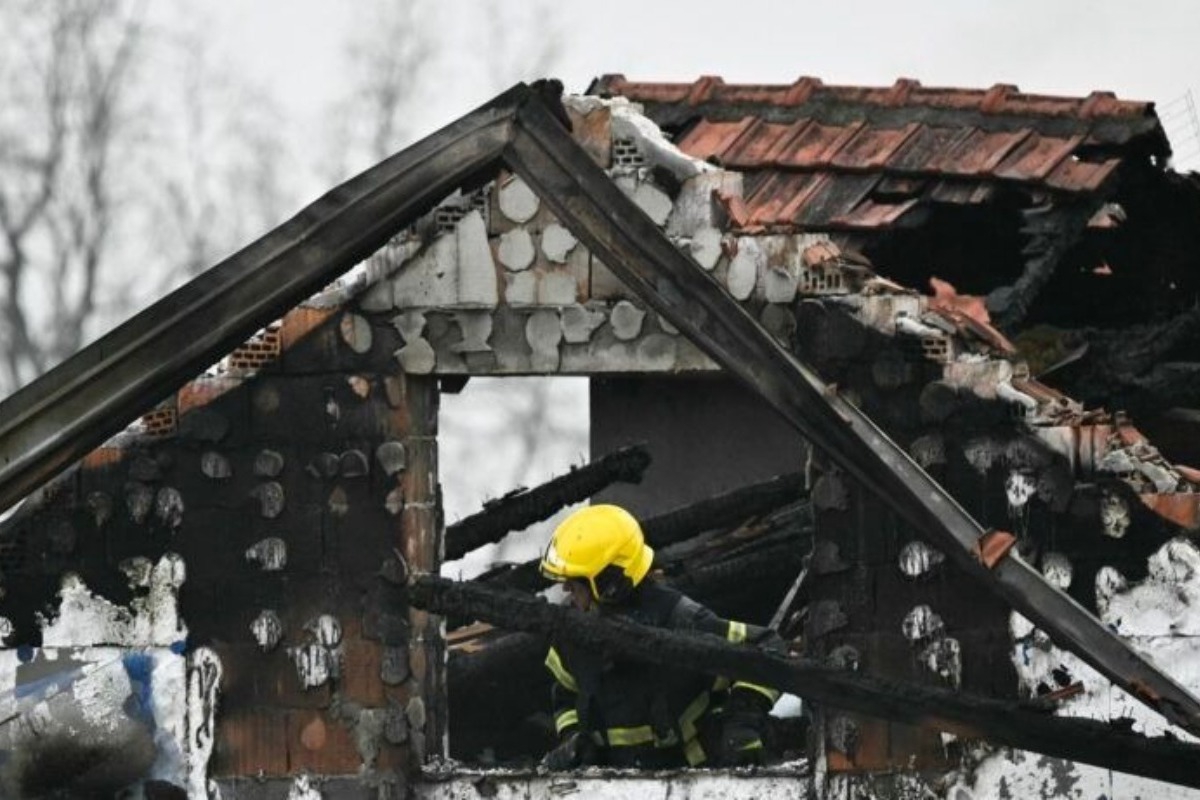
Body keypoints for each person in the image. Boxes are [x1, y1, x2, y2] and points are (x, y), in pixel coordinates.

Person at [538, 503, 784, 770]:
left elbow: (767, 647)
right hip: (611, 782)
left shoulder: (680, 619)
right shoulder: (573, 632)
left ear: (608, 582)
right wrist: (573, 739)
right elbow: (565, 693)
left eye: (574, 581)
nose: (566, 588)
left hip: (693, 776)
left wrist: (743, 720)